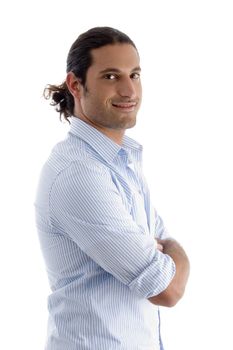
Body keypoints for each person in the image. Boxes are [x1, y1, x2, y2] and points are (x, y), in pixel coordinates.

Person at [34, 26, 190, 350]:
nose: (128, 90)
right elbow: (167, 289)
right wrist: (172, 255)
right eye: (110, 76)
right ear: (76, 85)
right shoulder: (79, 174)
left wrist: (165, 252)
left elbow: (161, 243)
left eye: (134, 75)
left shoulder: (120, 162)